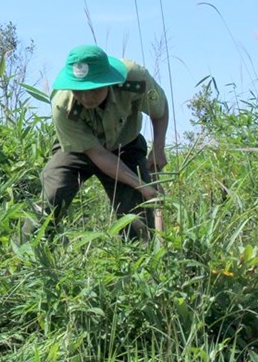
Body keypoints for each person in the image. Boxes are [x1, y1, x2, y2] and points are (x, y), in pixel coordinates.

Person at [37, 44, 168, 239]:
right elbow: (97, 153)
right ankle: (28, 254)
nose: (86, 97)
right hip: (78, 149)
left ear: (108, 81)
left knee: (138, 215)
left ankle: (141, 261)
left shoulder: (134, 78)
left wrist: (158, 147)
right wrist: (142, 185)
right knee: (53, 194)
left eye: (93, 89)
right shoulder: (62, 105)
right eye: (78, 90)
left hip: (127, 146)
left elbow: (161, 110)